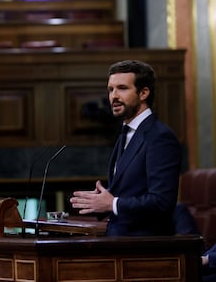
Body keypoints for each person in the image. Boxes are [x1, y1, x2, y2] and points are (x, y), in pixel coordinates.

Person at [70, 60, 182, 236]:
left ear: (143, 93)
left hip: (145, 248)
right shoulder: (125, 134)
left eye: (122, 88)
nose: (113, 96)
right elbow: (129, 192)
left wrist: (112, 203)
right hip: (120, 243)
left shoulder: (159, 137)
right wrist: (98, 202)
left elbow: (162, 202)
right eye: (110, 89)